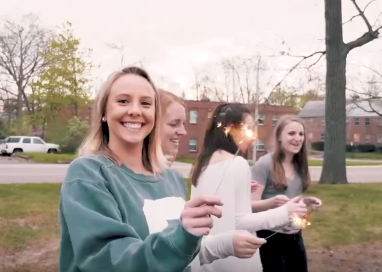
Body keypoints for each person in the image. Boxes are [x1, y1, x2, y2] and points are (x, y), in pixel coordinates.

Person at [59, 67, 223, 272]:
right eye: (123, 101)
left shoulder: (173, 179)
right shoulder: (88, 174)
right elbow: (106, 261)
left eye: (146, 103)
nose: (135, 110)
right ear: (103, 112)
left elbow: (184, 259)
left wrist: (212, 239)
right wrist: (180, 238)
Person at [189, 103, 308, 272]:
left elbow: (221, 210)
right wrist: (285, 213)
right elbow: (240, 221)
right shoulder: (237, 163)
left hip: (206, 257)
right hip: (233, 257)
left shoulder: (202, 163)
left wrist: (241, 191)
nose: (253, 137)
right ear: (231, 128)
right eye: (249, 129)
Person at [251, 114, 323, 272]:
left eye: (301, 134)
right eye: (291, 133)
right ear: (279, 137)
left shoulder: (300, 165)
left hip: (295, 236)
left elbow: (292, 201)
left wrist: (306, 201)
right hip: (269, 237)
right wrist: (272, 203)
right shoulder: (264, 164)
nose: (297, 138)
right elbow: (250, 206)